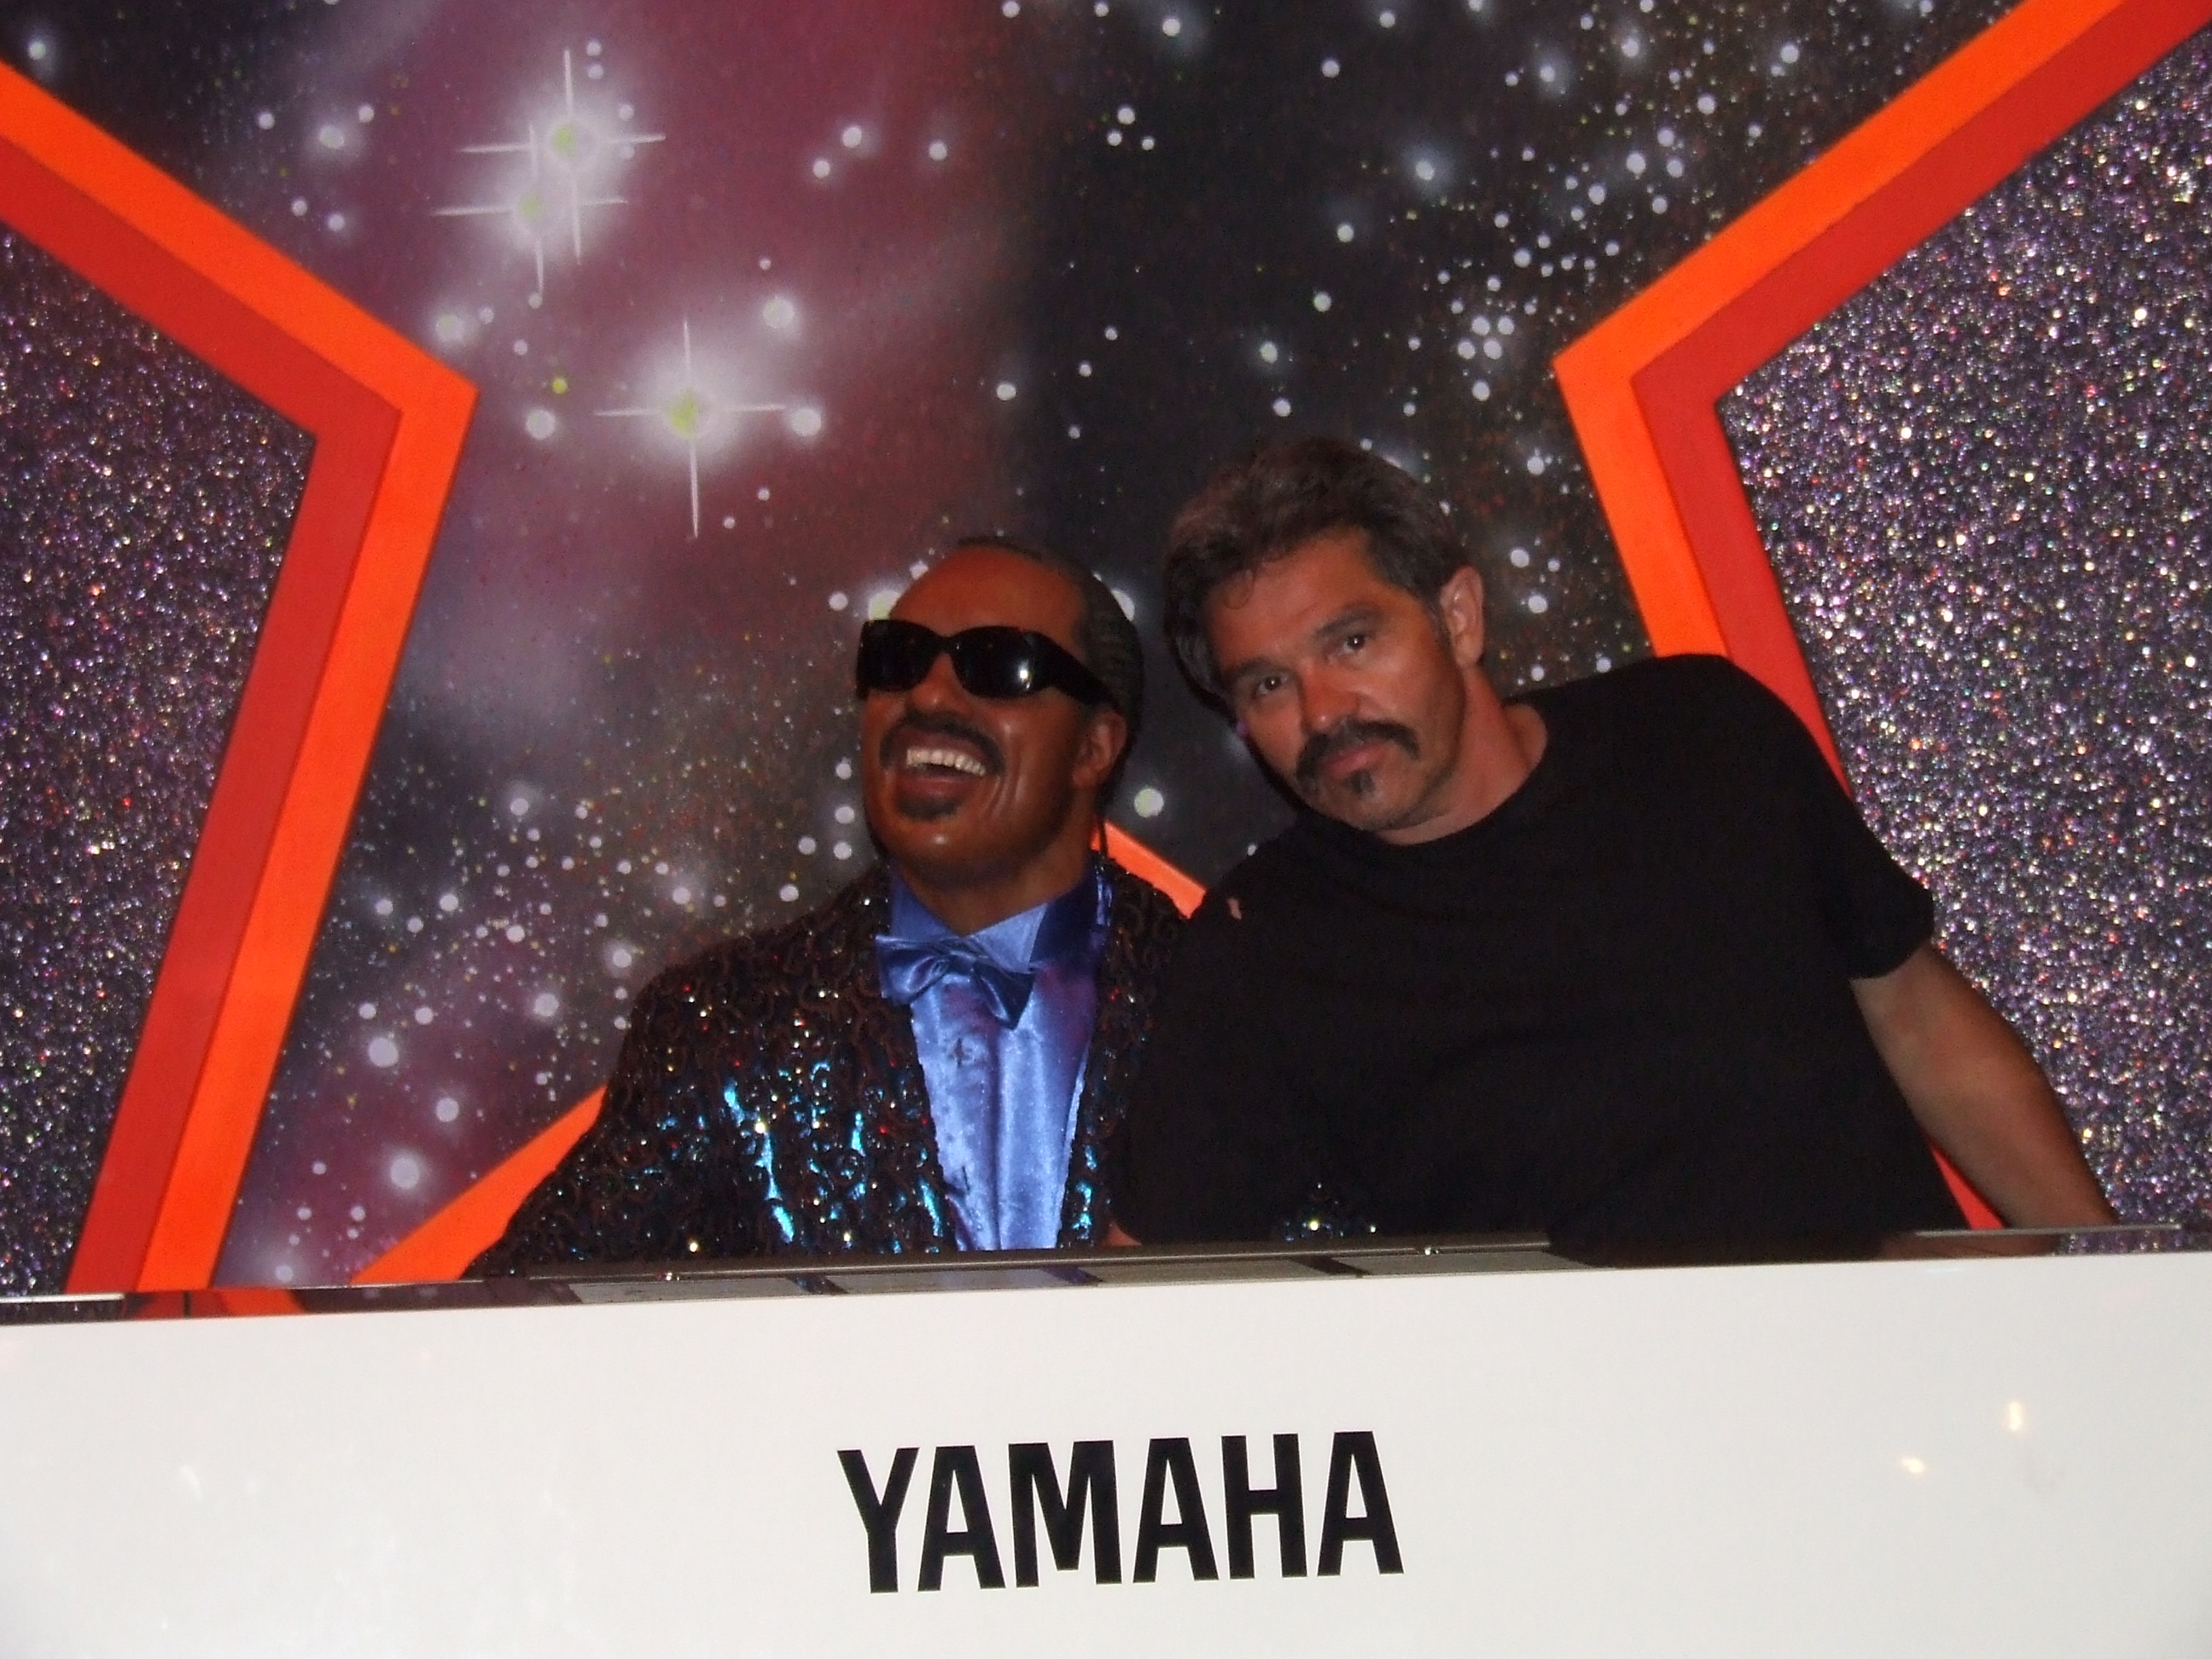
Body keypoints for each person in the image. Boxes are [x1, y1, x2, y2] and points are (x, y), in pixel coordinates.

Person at [1114, 436, 2115, 1249]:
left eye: (1353, 641)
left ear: (1458, 617)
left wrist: (2105, 1275)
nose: (1324, 711)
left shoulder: (1702, 736)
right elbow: (1153, 1275)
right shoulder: (1261, 946)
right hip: (1580, 1433)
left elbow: (1910, 1008)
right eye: (1269, 685)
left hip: (1902, 1382)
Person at [475, 537, 1184, 1270]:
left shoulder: (1215, 1003)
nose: (929, 697)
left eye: (998, 664)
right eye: (896, 659)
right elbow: (514, 1309)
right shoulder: (723, 1025)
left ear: (1094, 747)